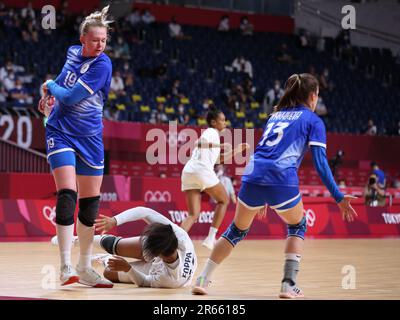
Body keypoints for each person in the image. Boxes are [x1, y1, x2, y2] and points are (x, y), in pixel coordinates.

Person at [191, 73, 358, 298]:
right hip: (281, 179)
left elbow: (262, 151)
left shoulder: (276, 116)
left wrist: (260, 196)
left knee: (236, 230)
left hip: (252, 176)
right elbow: (320, 163)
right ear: (312, 96)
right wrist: (338, 196)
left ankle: (203, 279)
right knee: (298, 226)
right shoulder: (313, 120)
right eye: (318, 95)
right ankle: (288, 284)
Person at [38, 6, 113, 287]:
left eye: (104, 40)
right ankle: (65, 265)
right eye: (95, 40)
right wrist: (49, 92)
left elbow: (69, 97)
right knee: (68, 193)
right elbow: (63, 84)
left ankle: (84, 266)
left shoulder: (103, 64)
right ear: (83, 39)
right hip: (60, 131)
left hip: (91, 138)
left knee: (90, 205)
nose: (100, 45)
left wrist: (49, 85)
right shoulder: (72, 52)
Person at [180, 106, 249, 250]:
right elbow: (198, 143)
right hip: (201, 170)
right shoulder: (211, 132)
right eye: (222, 120)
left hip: (188, 172)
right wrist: (220, 144)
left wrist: (237, 150)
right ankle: (210, 238)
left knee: (193, 214)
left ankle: (173, 243)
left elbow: (218, 160)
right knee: (224, 200)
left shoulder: (213, 135)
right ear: (213, 122)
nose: (225, 123)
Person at [86, 206, 196, 288]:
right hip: (164, 253)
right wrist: (115, 220)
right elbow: (144, 212)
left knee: (109, 272)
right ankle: (75, 239)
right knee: (114, 245)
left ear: (157, 254)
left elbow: (143, 282)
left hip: (160, 269)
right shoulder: (179, 235)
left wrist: (127, 268)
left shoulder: (168, 280)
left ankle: (104, 258)